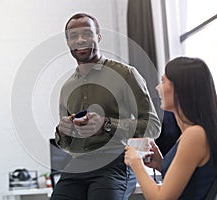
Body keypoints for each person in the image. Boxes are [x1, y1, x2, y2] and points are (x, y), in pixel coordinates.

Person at [51, 13, 161, 200]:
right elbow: (65, 145)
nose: (80, 40)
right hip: (78, 164)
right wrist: (63, 131)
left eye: (87, 33)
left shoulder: (126, 74)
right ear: (68, 43)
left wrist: (107, 124)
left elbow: (153, 126)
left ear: (98, 37)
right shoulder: (67, 87)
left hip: (116, 162)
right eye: (73, 36)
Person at [124, 57, 217, 200]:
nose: (158, 87)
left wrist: (136, 163)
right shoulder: (196, 133)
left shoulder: (194, 135)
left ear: (180, 89)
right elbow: (193, 183)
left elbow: (161, 198)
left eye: (163, 81)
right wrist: (161, 164)